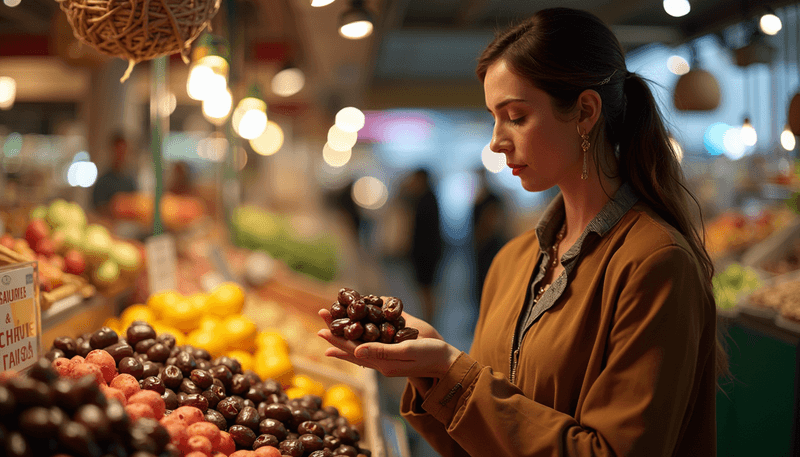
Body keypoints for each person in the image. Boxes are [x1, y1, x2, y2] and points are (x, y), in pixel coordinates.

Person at [319, 7, 725, 456]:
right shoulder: (513, 261)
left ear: (585, 112)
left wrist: (454, 373)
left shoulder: (655, 263)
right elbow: (484, 439)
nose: (496, 140)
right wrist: (430, 370)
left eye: (515, 116)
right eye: (494, 117)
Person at [400, 168, 444, 324]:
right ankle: (429, 317)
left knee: (427, 289)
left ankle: (430, 319)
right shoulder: (427, 198)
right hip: (427, 251)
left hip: (426, 253)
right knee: (426, 289)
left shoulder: (425, 199)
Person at [470, 168, 508, 307]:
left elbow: (492, 222)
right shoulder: (479, 197)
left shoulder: (491, 197)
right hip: (480, 247)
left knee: (490, 279)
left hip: (490, 246)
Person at [92, 132, 138, 211]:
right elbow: (97, 208)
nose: (120, 156)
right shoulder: (102, 182)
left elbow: (135, 205)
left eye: (123, 152)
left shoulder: (130, 181)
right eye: (118, 151)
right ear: (112, 152)